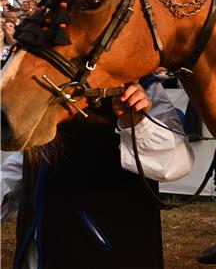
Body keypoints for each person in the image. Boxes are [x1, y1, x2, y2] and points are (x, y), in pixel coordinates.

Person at [2, 76, 194, 269]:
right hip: (36, 254)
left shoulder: (142, 83)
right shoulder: (42, 79)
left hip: (106, 254)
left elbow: (177, 163)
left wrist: (136, 124)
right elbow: (28, 161)